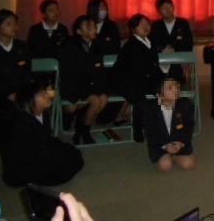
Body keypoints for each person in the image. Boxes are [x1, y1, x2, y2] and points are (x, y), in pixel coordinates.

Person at [0, 81, 84, 187]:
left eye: (45, 92)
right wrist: (57, 155)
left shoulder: (43, 113)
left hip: (40, 153)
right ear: (30, 100)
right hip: (26, 164)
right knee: (67, 166)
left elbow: (47, 140)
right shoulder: (22, 123)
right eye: (42, 94)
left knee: (74, 156)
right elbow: (29, 155)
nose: (47, 95)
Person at [111, 14, 162, 142]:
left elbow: (153, 66)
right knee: (141, 100)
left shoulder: (150, 42)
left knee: (168, 89)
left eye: (146, 23)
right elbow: (134, 71)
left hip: (142, 79)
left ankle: (164, 125)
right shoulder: (132, 45)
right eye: (140, 25)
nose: (145, 27)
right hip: (126, 81)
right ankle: (137, 129)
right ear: (133, 29)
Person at [58, 16, 108, 145]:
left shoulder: (97, 44)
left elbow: (99, 69)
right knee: (95, 101)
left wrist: (100, 87)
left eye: (94, 27)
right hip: (74, 84)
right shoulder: (70, 45)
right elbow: (72, 71)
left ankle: (81, 127)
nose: (93, 29)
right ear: (79, 31)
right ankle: (85, 130)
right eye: (88, 27)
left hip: (91, 83)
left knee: (103, 99)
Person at [0, 9, 33, 149]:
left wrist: (21, 93)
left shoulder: (22, 46)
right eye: (8, 24)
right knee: (10, 112)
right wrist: (8, 93)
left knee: (37, 103)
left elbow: (27, 73)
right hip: (1, 94)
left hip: (21, 92)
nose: (14, 27)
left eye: (15, 23)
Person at [144, 78, 195, 172]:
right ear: (159, 95)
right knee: (165, 165)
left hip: (179, 142)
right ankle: (167, 157)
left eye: (177, 87)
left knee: (189, 164)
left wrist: (181, 143)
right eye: (171, 88)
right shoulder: (150, 110)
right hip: (160, 144)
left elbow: (189, 126)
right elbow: (150, 134)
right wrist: (165, 146)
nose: (176, 90)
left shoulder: (184, 105)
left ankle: (175, 156)